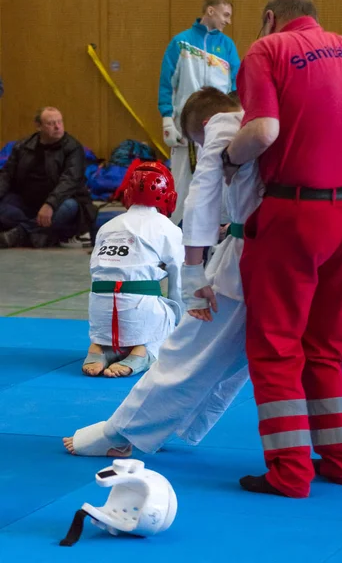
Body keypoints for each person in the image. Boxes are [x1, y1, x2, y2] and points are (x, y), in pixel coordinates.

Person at [221, 0, 342, 498]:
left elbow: (264, 129)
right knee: (326, 351)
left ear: (270, 18)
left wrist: (228, 158)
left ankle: (289, 471)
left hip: (296, 214)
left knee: (276, 349)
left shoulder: (267, 50)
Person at [62, 86, 262, 455]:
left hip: (245, 258)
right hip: (308, 246)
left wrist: (194, 274)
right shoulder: (277, 116)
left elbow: (201, 197)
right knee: (253, 357)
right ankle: (321, 453)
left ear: (206, 124)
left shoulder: (225, 124)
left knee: (187, 348)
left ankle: (122, 431)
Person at [82, 160, 184, 378]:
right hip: (139, 310)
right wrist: (179, 323)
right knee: (172, 310)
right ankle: (144, 351)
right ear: (169, 196)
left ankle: (100, 348)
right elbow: (178, 285)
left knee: (112, 295)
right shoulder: (168, 229)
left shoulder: (107, 226)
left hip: (99, 311)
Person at [158, 0, 241, 226]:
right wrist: (167, 119)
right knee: (181, 182)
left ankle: (217, 238)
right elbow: (167, 83)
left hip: (219, 126)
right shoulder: (180, 43)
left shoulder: (227, 47)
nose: (228, 21)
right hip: (185, 126)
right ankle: (173, 237)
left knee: (220, 181)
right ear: (210, 11)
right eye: (225, 14)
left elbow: (236, 88)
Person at [0, 107, 96, 248]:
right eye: (51, 123)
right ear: (39, 126)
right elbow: (6, 175)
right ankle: (42, 234)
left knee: (69, 207)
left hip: (60, 202)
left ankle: (20, 233)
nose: (57, 127)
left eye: (60, 122)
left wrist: (50, 204)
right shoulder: (22, 146)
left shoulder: (73, 148)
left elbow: (69, 181)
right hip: (26, 203)